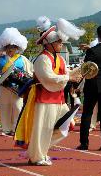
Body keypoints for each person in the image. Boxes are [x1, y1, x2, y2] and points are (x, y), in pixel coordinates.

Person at [16, 19, 85, 165]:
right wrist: (69, 77)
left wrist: (82, 70)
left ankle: (38, 150)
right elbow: (48, 77)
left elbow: (67, 73)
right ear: (50, 44)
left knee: (68, 124)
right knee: (43, 128)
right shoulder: (42, 59)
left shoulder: (59, 58)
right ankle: (37, 156)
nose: (61, 44)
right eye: (59, 42)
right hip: (44, 98)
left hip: (58, 97)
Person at [0, 28, 33, 136]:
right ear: (5, 48)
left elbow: (30, 72)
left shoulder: (23, 59)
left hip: (18, 88)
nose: (10, 49)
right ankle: (6, 128)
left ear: (17, 48)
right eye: (8, 47)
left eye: (13, 47)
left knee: (17, 107)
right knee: (4, 107)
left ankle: (16, 128)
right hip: (4, 87)